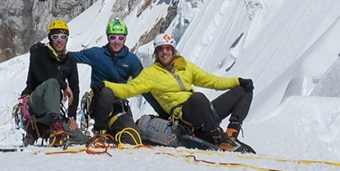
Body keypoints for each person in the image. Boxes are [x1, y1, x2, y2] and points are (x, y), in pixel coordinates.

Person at [101, 32, 255, 153]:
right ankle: (218, 137)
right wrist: (104, 85)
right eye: (160, 49)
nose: (164, 52)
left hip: (203, 112)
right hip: (185, 118)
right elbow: (129, 89)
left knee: (244, 90)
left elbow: (213, 81)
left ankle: (231, 134)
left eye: (167, 48)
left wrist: (238, 81)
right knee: (197, 98)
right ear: (156, 53)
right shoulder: (151, 74)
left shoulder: (186, 67)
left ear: (173, 50)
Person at [70, 18, 143, 138]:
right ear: (108, 38)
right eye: (113, 37)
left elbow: (143, 83)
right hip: (98, 104)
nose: (116, 41)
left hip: (117, 107)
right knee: (107, 92)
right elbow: (72, 57)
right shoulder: (97, 54)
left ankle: (111, 131)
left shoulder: (131, 60)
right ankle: (99, 130)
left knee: (133, 137)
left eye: (120, 38)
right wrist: (48, 52)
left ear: (125, 38)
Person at [20, 19, 84, 143]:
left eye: (63, 37)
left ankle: (54, 127)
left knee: (80, 138)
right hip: (35, 103)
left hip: (53, 111)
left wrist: (71, 116)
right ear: (50, 38)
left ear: (67, 39)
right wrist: (64, 85)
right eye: (55, 37)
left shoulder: (69, 59)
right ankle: (55, 130)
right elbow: (43, 76)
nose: (59, 40)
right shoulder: (38, 52)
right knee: (52, 83)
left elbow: (75, 88)